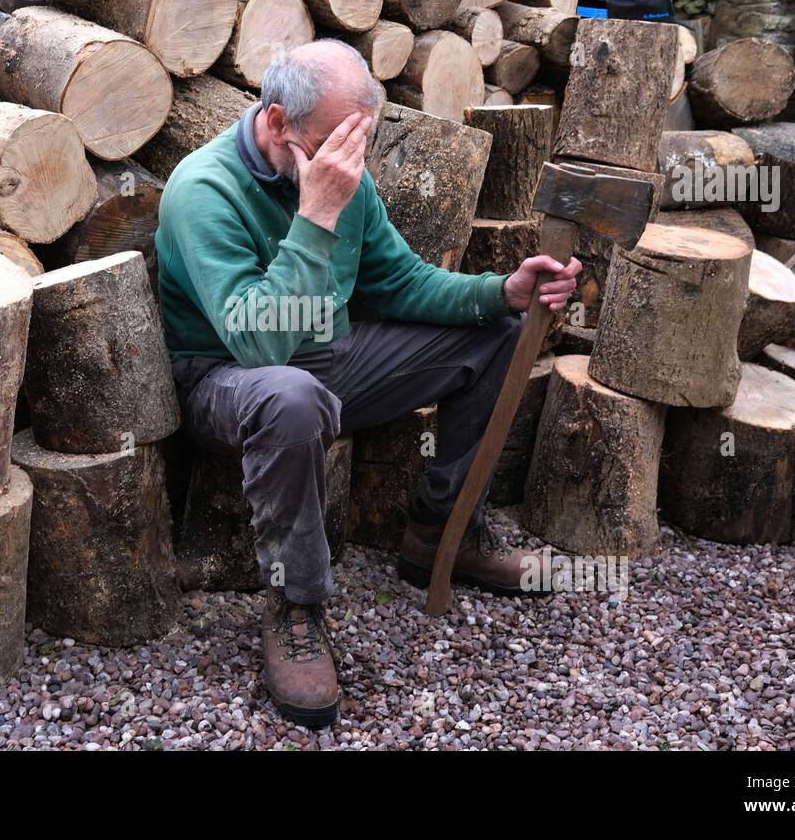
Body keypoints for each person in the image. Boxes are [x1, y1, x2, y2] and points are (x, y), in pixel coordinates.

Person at [155, 40, 582, 727]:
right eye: (335, 142)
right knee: (290, 395)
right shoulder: (203, 191)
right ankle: (295, 606)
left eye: (360, 140)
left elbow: (401, 282)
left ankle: (443, 533)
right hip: (225, 382)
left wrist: (500, 291)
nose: (348, 160)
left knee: (497, 334)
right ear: (276, 123)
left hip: (330, 359)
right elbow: (259, 342)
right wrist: (316, 214)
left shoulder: (340, 173)